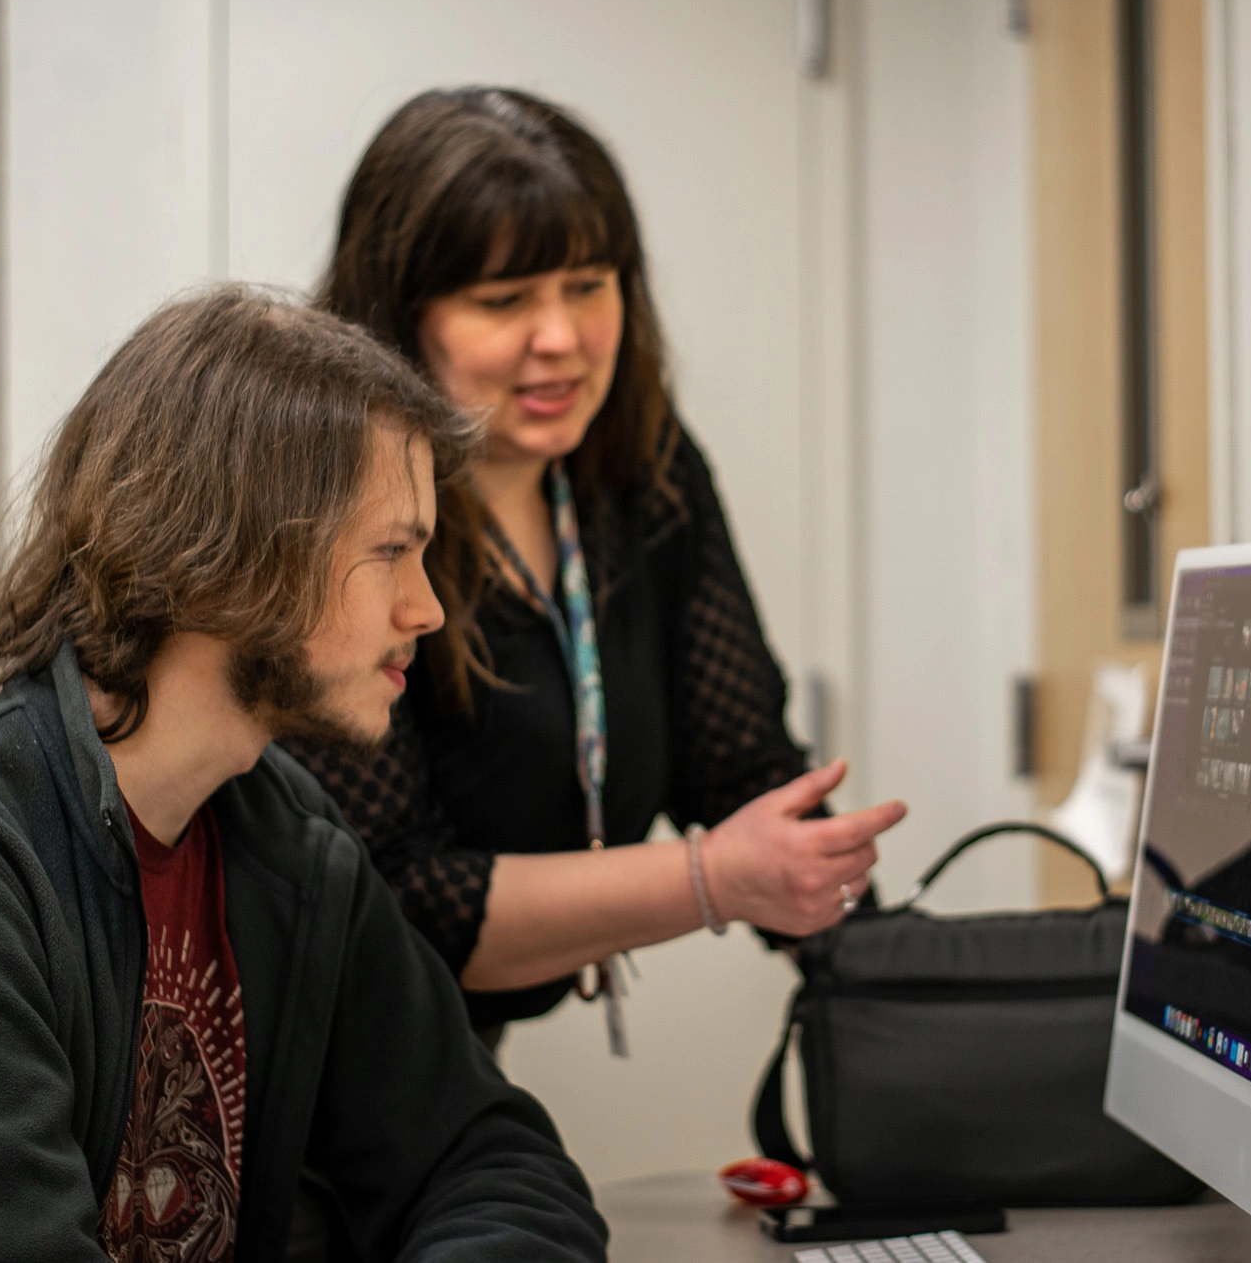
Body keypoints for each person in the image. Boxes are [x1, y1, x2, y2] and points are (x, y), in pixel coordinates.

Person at [0, 289, 608, 1261]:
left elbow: (492, 1158)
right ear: (231, 561)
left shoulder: (288, 842)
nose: (427, 609)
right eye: (390, 552)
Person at [292, 87, 907, 1047]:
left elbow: (739, 767)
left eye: (589, 284)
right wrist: (711, 878)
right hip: (306, 1077)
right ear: (401, 319)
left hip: (453, 1059)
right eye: (504, 301)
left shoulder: (642, 476)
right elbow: (397, 895)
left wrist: (907, 987)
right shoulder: (328, 510)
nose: (562, 338)